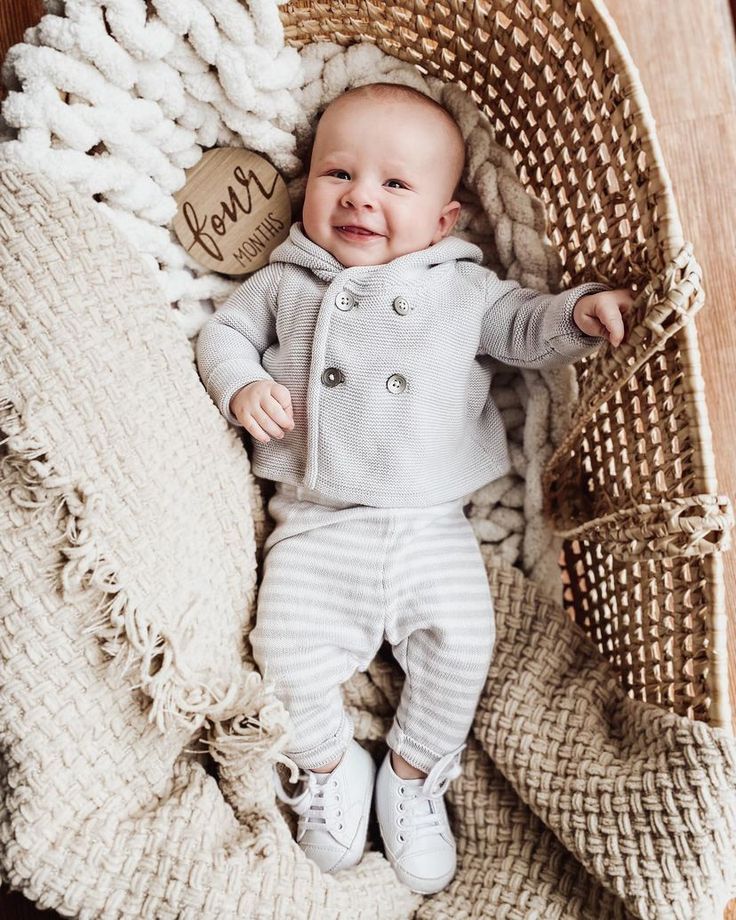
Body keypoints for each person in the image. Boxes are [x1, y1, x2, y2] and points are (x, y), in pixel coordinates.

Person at [195, 82, 632, 894]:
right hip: (318, 523)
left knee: (463, 645)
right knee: (281, 651)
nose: (361, 195)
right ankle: (330, 764)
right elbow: (224, 332)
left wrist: (580, 315)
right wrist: (240, 384)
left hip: (433, 525)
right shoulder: (290, 279)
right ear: (306, 190)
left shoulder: (460, 289)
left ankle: (411, 770)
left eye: (395, 184)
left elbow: (525, 327)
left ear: (443, 221)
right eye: (338, 174)